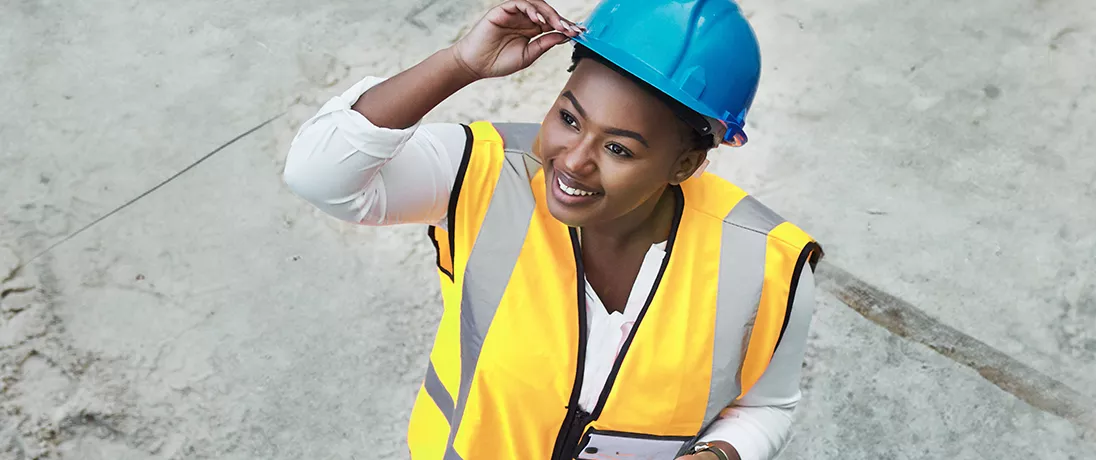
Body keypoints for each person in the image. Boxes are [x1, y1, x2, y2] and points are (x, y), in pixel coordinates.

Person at [282, 0, 822, 458]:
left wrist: (722, 455)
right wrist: (458, 63)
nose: (573, 161)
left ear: (683, 166)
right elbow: (319, 175)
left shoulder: (767, 262)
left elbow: (767, 406)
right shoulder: (485, 174)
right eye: (568, 117)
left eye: (618, 149)